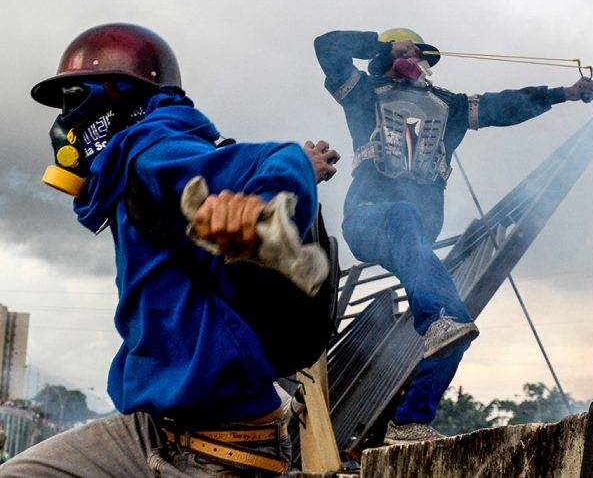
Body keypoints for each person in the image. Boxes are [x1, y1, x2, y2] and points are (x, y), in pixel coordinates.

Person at [2, 23, 340, 476]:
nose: (65, 121)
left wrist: (262, 207)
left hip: (215, 444)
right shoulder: (134, 169)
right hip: (156, 426)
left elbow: (274, 160)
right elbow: (258, 162)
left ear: (120, 95)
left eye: (73, 98)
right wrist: (296, 168)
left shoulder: (150, 149)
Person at [314, 28, 593, 444]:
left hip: (416, 238)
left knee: (459, 324)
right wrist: (379, 46)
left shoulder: (450, 106)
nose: (413, 63)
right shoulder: (363, 93)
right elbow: (326, 46)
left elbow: (506, 105)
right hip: (369, 219)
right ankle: (436, 322)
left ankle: (409, 421)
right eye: (403, 55)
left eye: (418, 56)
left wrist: (563, 93)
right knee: (409, 228)